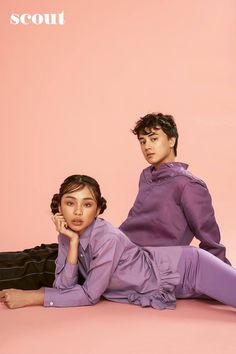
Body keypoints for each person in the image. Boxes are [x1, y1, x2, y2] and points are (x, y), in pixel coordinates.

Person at [0, 113, 230, 291]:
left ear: (172, 140)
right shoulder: (147, 176)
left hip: (131, 265)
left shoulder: (188, 185)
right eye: (142, 141)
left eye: (153, 138)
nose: (147, 146)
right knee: (41, 252)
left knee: (37, 268)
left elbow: (210, 237)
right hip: (114, 246)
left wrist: (222, 279)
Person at [0, 174, 235, 310]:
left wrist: (33, 297)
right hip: (176, 285)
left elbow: (90, 295)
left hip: (190, 268)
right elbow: (65, 288)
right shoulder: (67, 234)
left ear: (99, 208)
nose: (78, 212)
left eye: (88, 204)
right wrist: (71, 242)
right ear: (59, 206)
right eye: (70, 203)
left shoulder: (108, 239)